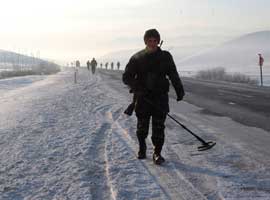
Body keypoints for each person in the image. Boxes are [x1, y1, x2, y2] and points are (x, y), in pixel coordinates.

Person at [122, 28, 185, 165]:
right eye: (149, 40)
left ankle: (157, 153)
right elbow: (126, 77)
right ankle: (142, 148)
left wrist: (179, 90)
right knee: (142, 127)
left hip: (160, 98)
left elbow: (173, 74)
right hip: (143, 98)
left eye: (155, 40)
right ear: (145, 41)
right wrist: (137, 87)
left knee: (159, 127)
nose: (152, 43)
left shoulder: (166, 57)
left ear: (158, 41)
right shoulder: (137, 57)